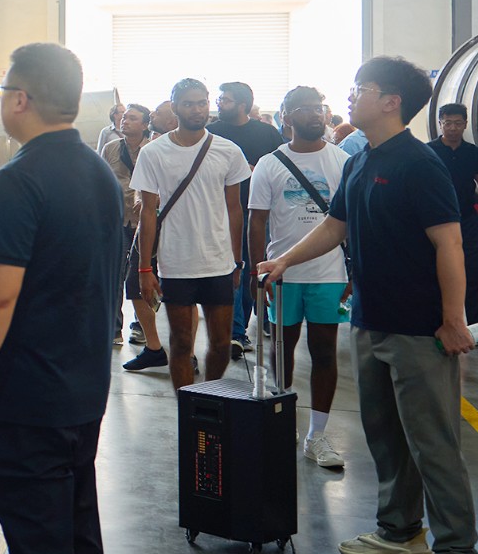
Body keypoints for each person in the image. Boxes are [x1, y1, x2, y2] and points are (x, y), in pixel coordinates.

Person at [259, 57, 476, 554]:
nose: (350, 96)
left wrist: (453, 319)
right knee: (385, 438)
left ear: (391, 102)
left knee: (433, 445)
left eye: (361, 88)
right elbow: (335, 226)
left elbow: (449, 244)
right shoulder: (359, 161)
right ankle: (400, 533)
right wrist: (285, 260)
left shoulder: (419, 164)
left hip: (419, 330)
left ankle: (456, 549)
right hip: (368, 320)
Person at [0, 43, 123, 554]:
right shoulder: (98, 172)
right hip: (83, 391)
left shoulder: (17, 180)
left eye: (2, 89)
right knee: (76, 531)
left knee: (37, 539)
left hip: (27, 400)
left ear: (20, 99)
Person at [248, 86, 350, 469]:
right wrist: (257, 271)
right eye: (305, 109)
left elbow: (352, 220)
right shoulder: (270, 163)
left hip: (329, 273)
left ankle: (317, 436)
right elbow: (257, 221)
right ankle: (282, 418)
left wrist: (354, 270)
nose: (316, 114)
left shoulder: (342, 160)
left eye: (319, 108)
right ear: (287, 117)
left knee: (324, 351)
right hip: (282, 276)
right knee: (281, 349)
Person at [130, 78, 250, 389]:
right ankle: (187, 407)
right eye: (188, 104)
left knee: (221, 343)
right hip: (176, 263)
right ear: (175, 107)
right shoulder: (154, 152)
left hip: (218, 262)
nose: (197, 110)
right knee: (181, 343)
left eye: (202, 103)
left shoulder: (228, 150)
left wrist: (237, 261)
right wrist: (144, 269)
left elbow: (235, 209)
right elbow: (147, 212)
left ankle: (209, 397)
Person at [208, 81, 285, 357]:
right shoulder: (212, 133)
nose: (219, 104)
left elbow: (282, 168)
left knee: (253, 269)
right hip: (222, 213)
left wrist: (258, 172)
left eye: (225, 100)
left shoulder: (267, 134)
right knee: (232, 270)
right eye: (219, 99)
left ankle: (252, 322)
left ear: (243, 105)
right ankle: (236, 332)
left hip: (259, 215)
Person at [428, 103, 478, 345]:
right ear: (440, 124)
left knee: (473, 275)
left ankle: (477, 332)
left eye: (457, 123)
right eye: (448, 123)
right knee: (434, 274)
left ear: (465, 124)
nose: (452, 128)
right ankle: (434, 328)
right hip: (436, 222)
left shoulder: (473, 153)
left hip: (467, 220)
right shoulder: (428, 152)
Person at [102, 104, 157, 352]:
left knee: (140, 275)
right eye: (124, 117)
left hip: (145, 222)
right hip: (117, 219)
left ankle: (141, 326)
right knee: (114, 274)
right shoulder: (111, 148)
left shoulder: (153, 149)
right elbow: (102, 181)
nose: (125, 121)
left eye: (132, 118)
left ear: (145, 125)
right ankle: (114, 329)